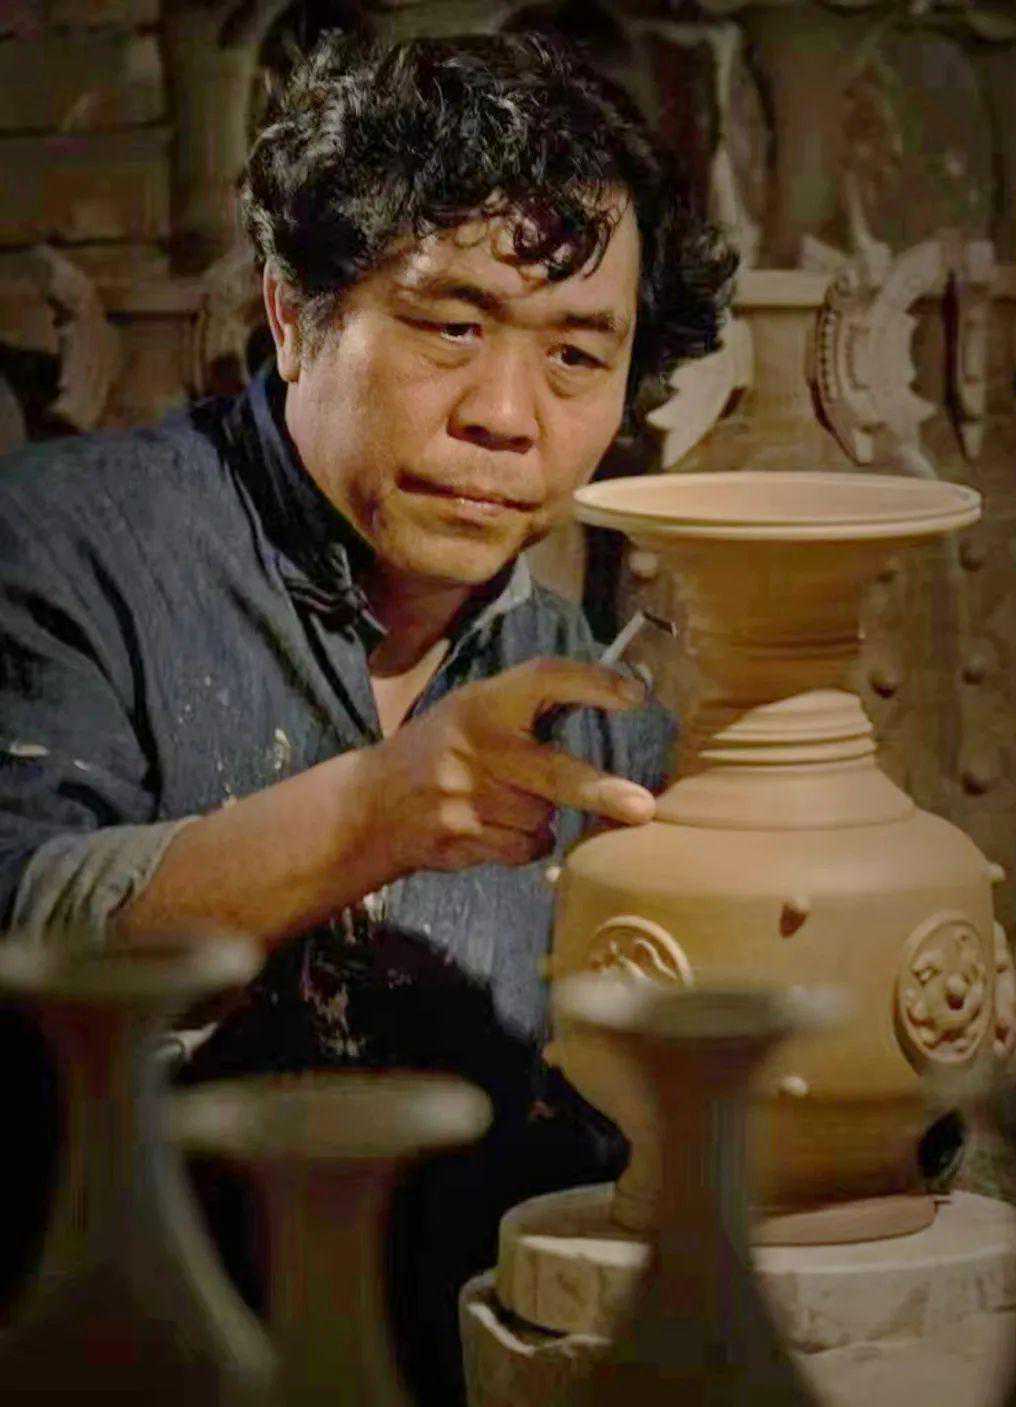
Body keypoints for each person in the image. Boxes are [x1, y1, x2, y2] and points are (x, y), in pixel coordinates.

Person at [0, 30, 734, 1401]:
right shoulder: (59, 549)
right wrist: (376, 811)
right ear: (293, 314)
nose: (507, 416)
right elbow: (25, 936)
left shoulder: (589, 688)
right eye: (451, 327)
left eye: (578, 355)